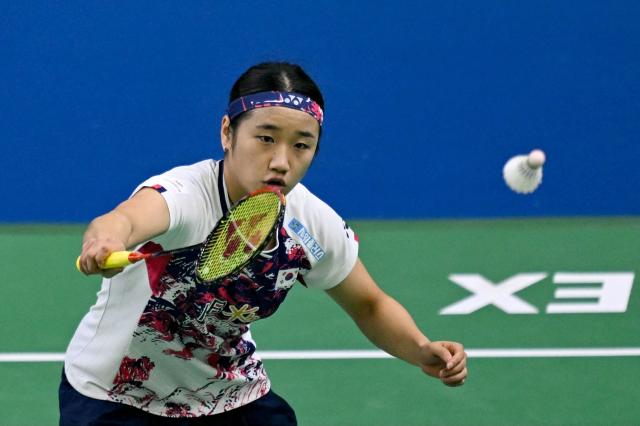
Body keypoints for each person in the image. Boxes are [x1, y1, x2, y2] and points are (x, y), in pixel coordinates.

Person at [63, 62, 468, 425]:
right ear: (227, 133)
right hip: (117, 398)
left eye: (301, 145)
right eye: (266, 138)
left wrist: (419, 349)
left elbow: (368, 303)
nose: (281, 161)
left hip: (229, 396)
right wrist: (106, 239)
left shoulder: (309, 222)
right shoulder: (187, 193)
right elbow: (125, 218)